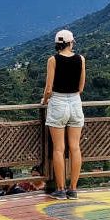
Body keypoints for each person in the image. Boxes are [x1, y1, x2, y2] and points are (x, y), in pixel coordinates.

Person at [41, 29, 86, 199]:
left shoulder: (53, 60)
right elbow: (81, 87)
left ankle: (60, 189)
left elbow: (48, 89)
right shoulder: (81, 59)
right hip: (75, 102)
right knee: (75, 147)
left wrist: (44, 101)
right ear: (71, 42)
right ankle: (73, 189)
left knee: (59, 148)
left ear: (57, 44)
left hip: (58, 103)